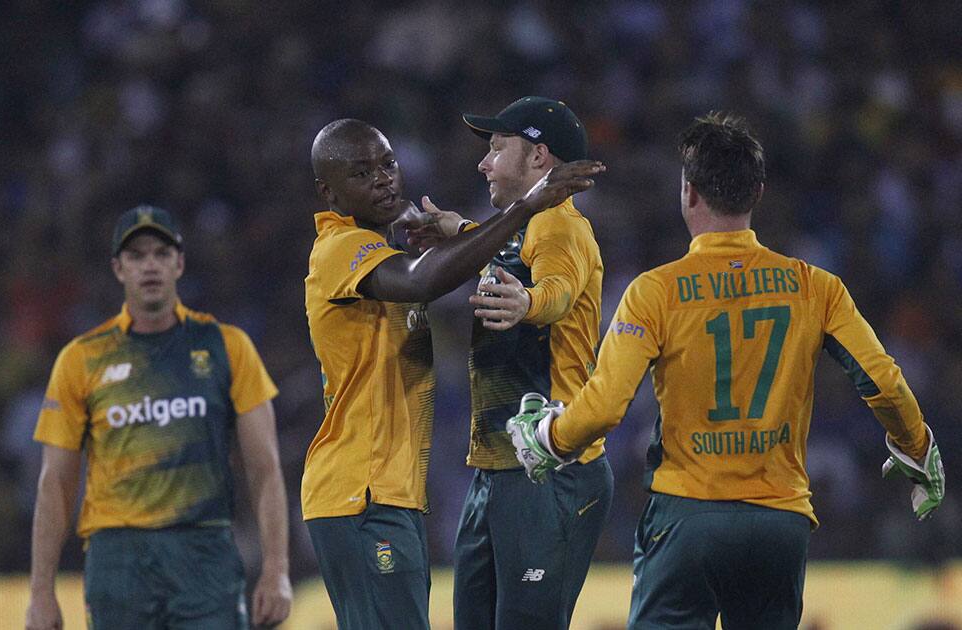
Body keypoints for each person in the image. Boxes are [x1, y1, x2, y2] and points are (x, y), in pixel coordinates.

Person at [506, 112, 945, 629]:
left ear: (688, 192)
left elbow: (603, 408)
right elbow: (884, 382)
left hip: (688, 516)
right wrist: (917, 447)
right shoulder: (815, 286)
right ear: (757, 192)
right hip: (779, 522)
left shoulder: (656, 291)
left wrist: (550, 439)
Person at [302, 118, 603, 630]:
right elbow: (428, 279)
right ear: (329, 191)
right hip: (360, 493)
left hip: (391, 495)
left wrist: (460, 229)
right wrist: (525, 206)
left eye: (388, 164)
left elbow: (487, 265)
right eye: (361, 172)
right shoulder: (340, 248)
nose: (383, 179)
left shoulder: (381, 253)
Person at [26, 205, 293, 630]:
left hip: (205, 550)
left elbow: (265, 470)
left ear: (179, 263)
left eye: (161, 253)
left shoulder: (228, 347)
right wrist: (41, 592)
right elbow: (55, 483)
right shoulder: (81, 359)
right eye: (136, 256)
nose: (149, 265)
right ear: (118, 268)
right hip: (118, 558)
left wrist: (277, 570)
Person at [408, 96, 614, 629]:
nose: (484, 162)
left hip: (549, 467)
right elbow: (506, 249)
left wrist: (529, 303)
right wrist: (457, 229)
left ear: (539, 158)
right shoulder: (523, 227)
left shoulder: (561, 227)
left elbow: (558, 290)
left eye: (498, 148)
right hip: (500, 468)